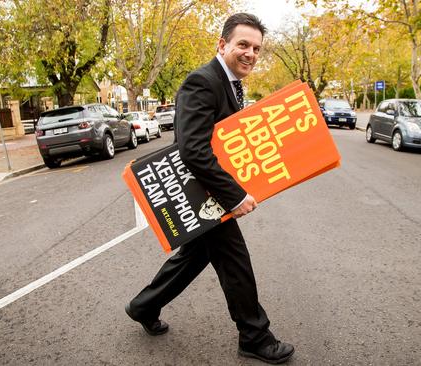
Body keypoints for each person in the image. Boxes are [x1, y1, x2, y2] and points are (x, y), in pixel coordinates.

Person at [125, 13, 295, 364]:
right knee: (235, 261)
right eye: (243, 45)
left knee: (195, 256)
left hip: (208, 191)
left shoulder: (229, 81)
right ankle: (254, 336)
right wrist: (235, 196)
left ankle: (143, 306)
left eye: (256, 48)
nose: (250, 53)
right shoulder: (202, 81)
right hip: (205, 193)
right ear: (223, 44)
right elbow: (193, 149)